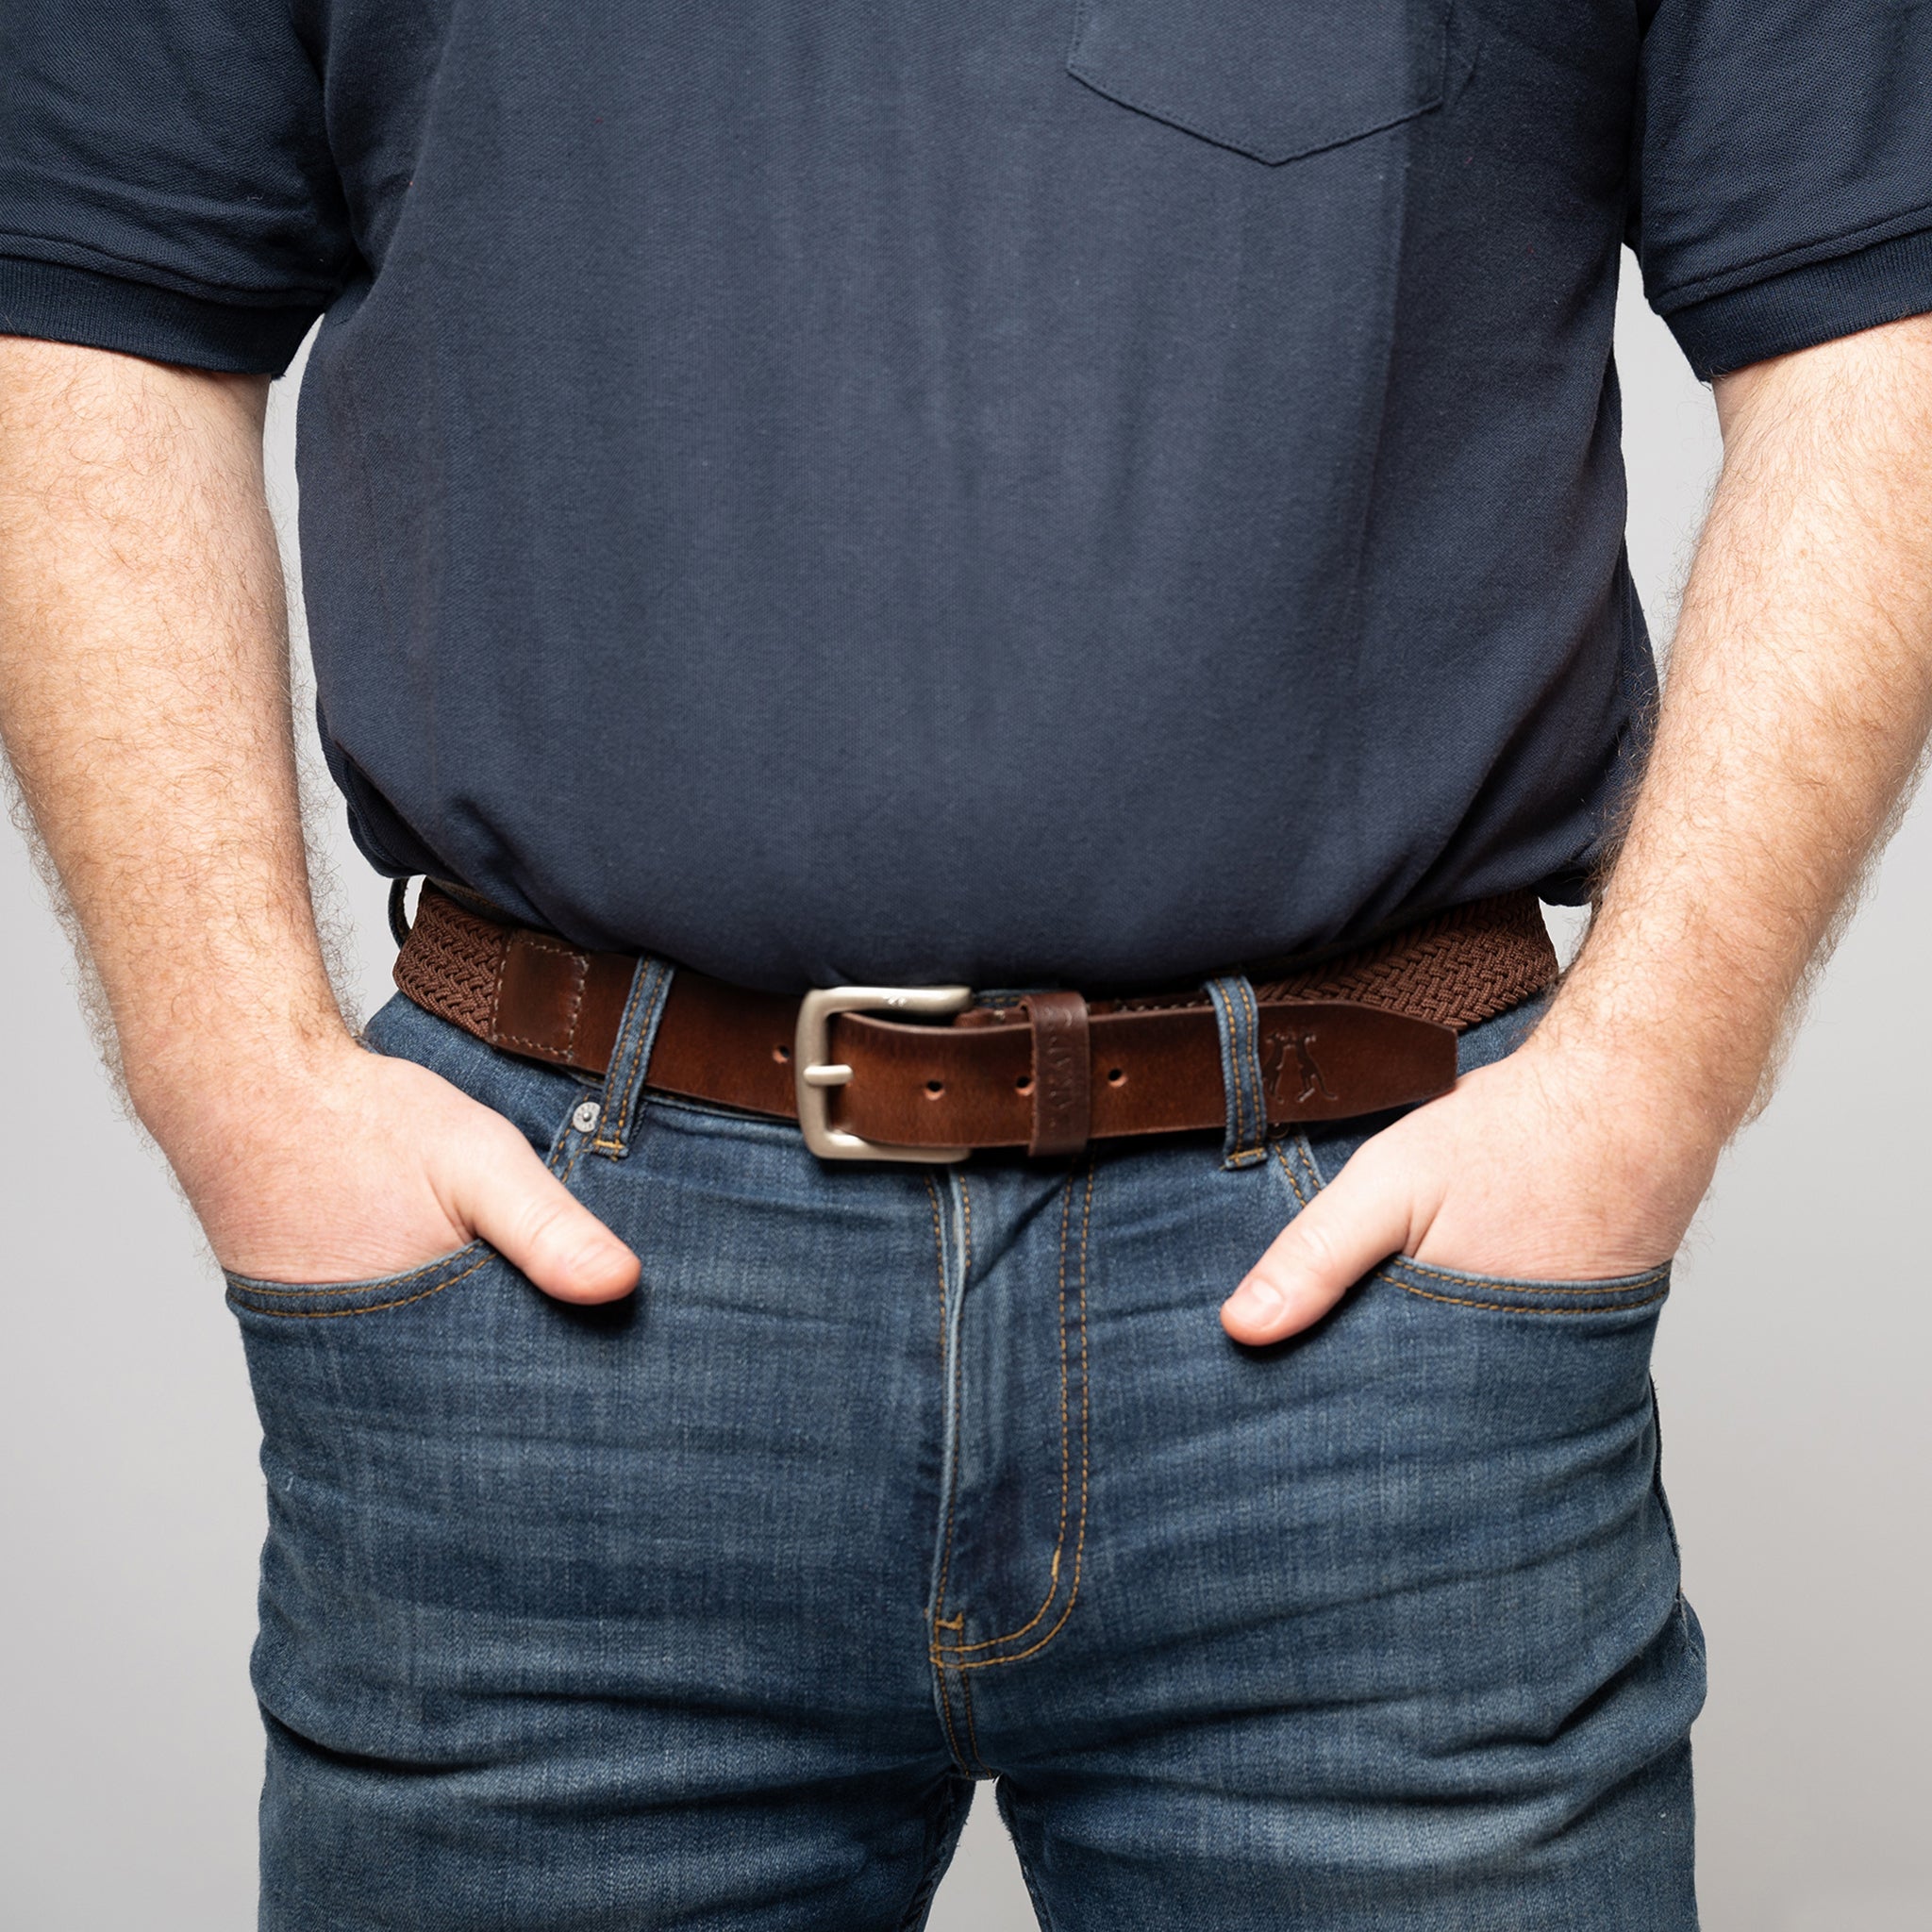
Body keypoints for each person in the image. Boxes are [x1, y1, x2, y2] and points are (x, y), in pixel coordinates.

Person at [2, 4, 1929, 1927]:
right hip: (562, 1310)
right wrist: (238, 1083)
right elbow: (86, 294)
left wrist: (1643, 1086)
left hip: (1367, 1321)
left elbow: (1878, 324)